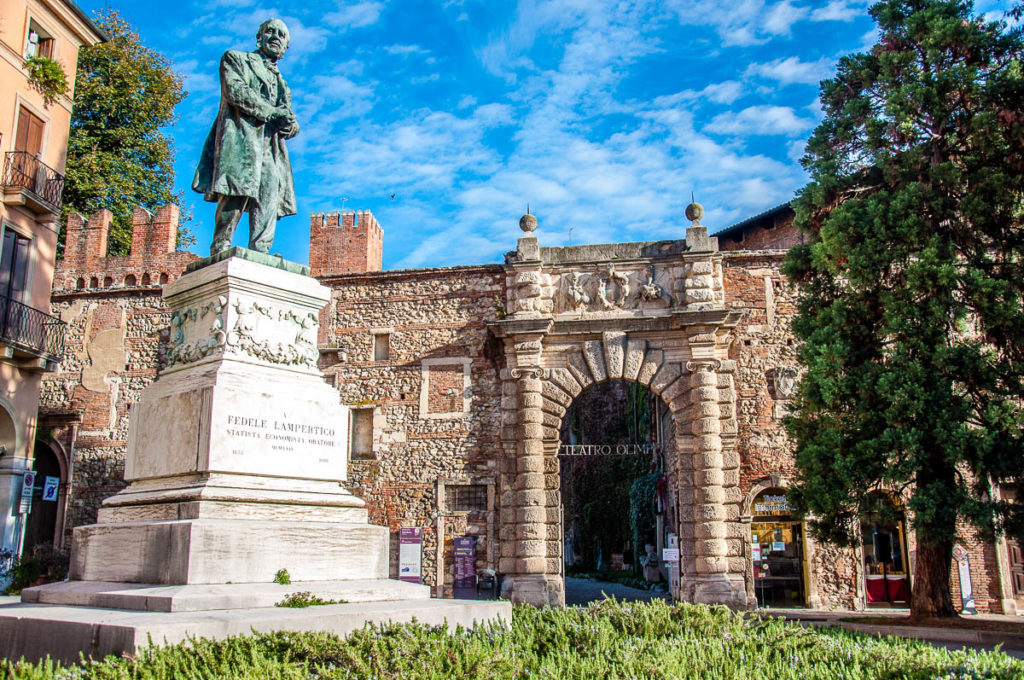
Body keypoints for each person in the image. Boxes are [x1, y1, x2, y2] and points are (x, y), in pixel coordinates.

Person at [192, 18, 299, 255]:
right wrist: (272, 112)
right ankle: (220, 245)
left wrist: (291, 126)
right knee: (235, 191)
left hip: (270, 147)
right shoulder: (236, 59)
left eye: (281, 35)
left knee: (269, 194)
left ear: (286, 48)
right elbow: (236, 92)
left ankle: (260, 249)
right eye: (269, 32)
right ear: (258, 38)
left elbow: (289, 117)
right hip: (241, 137)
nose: (275, 37)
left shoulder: (283, 84)